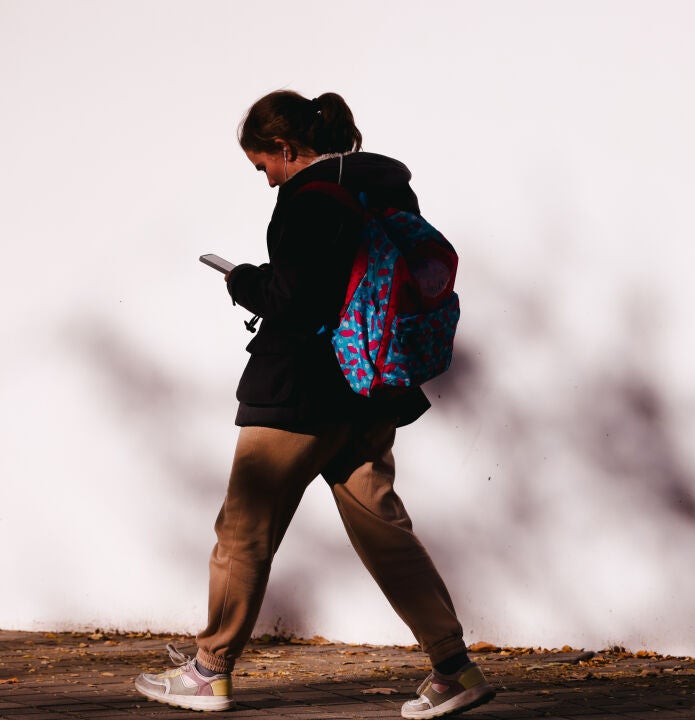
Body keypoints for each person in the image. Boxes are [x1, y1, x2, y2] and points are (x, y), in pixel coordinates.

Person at [134, 90, 495, 719]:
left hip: (301, 392)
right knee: (384, 531)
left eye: (263, 166)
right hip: (370, 388)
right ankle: (453, 668)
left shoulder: (308, 199)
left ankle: (208, 671)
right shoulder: (383, 188)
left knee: (243, 530)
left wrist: (243, 280)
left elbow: (295, 298)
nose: (266, 179)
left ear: (283, 147)